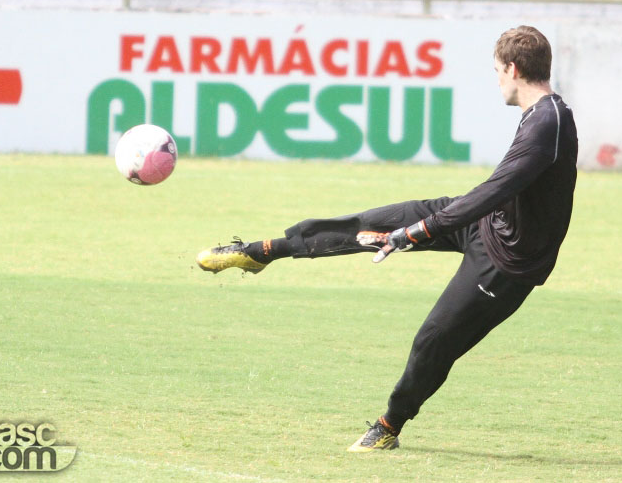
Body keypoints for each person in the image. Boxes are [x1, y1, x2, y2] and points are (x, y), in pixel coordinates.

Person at [195, 25, 578, 452]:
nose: (497, 80)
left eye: (497, 71)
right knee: (372, 223)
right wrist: (412, 228)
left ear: (513, 68)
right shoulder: (540, 115)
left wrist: (417, 232)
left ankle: (389, 426)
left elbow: (493, 191)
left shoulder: (548, 123)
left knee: (435, 339)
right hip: (487, 222)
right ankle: (261, 252)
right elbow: (492, 199)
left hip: (507, 262)